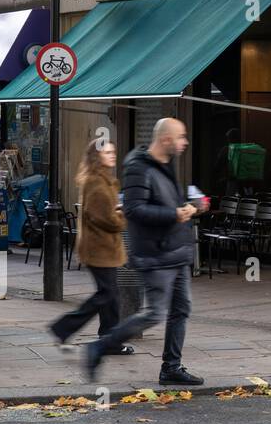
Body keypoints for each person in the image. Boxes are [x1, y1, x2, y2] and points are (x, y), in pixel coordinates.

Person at [83, 118, 206, 385]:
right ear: (165, 140)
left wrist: (190, 206)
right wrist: (174, 214)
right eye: (181, 137)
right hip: (157, 253)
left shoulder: (165, 165)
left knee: (181, 310)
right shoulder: (139, 168)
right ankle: (100, 347)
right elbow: (135, 210)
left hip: (177, 251)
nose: (185, 142)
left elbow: (163, 202)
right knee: (155, 313)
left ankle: (171, 367)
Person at [47, 141, 134, 355]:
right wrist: (123, 215)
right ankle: (63, 328)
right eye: (107, 152)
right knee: (107, 294)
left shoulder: (103, 181)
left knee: (109, 294)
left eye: (114, 151)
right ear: (96, 157)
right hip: (99, 248)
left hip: (104, 247)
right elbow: (106, 219)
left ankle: (108, 339)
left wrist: (116, 209)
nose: (113, 155)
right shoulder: (96, 183)